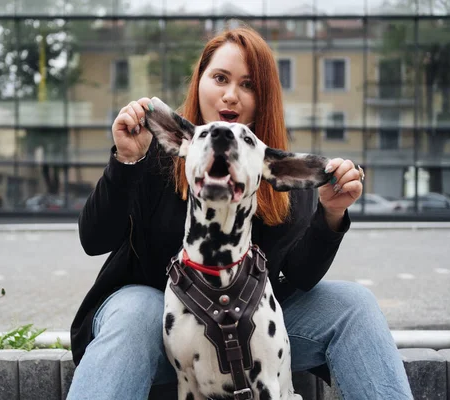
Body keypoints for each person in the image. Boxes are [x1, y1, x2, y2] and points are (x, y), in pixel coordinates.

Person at [67, 25, 413, 400]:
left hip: (249, 334)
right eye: (220, 78)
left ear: (263, 99)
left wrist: (330, 213)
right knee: (138, 310)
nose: (231, 95)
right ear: (199, 81)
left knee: (355, 305)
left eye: (248, 85)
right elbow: (94, 240)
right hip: (156, 331)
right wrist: (127, 160)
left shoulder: (274, 171)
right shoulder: (154, 153)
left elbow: (300, 275)